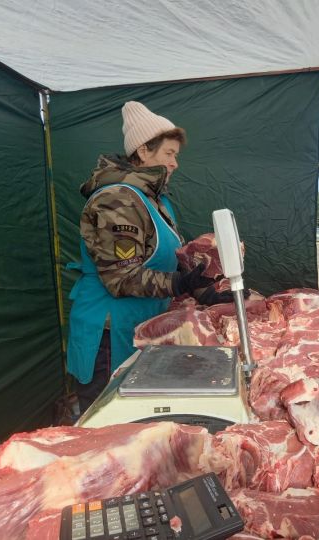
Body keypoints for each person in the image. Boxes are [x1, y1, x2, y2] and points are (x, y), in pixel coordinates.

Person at [67, 101, 232, 414]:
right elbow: (121, 277)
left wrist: (204, 290)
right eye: (169, 154)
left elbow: (172, 261)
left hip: (141, 325)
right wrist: (180, 283)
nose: (175, 163)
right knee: (112, 423)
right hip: (109, 335)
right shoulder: (117, 200)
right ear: (143, 152)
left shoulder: (157, 202)